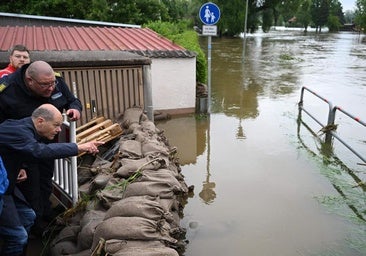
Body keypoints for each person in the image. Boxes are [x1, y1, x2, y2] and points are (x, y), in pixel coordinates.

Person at [0, 104, 103, 255]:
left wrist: (19, 166)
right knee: (18, 236)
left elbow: (11, 150)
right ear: (40, 121)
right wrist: (78, 147)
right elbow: (39, 151)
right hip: (3, 189)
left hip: (6, 185)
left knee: (28, 217)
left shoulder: (22, 127)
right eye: (56, 125)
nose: (59, 130)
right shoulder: (20, 130)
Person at [0, 60, 83, 236]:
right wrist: (19, 165)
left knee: (45, 182)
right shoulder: (7, 91)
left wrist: (75, 109)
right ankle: (33, 230)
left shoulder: (56, 82)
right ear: (30, 81)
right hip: (19, 153)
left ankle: (45, 218)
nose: (51, 88)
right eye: (45, 85)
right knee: (30, 190)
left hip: (47, 147)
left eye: (52, 83)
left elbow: (73, 100)